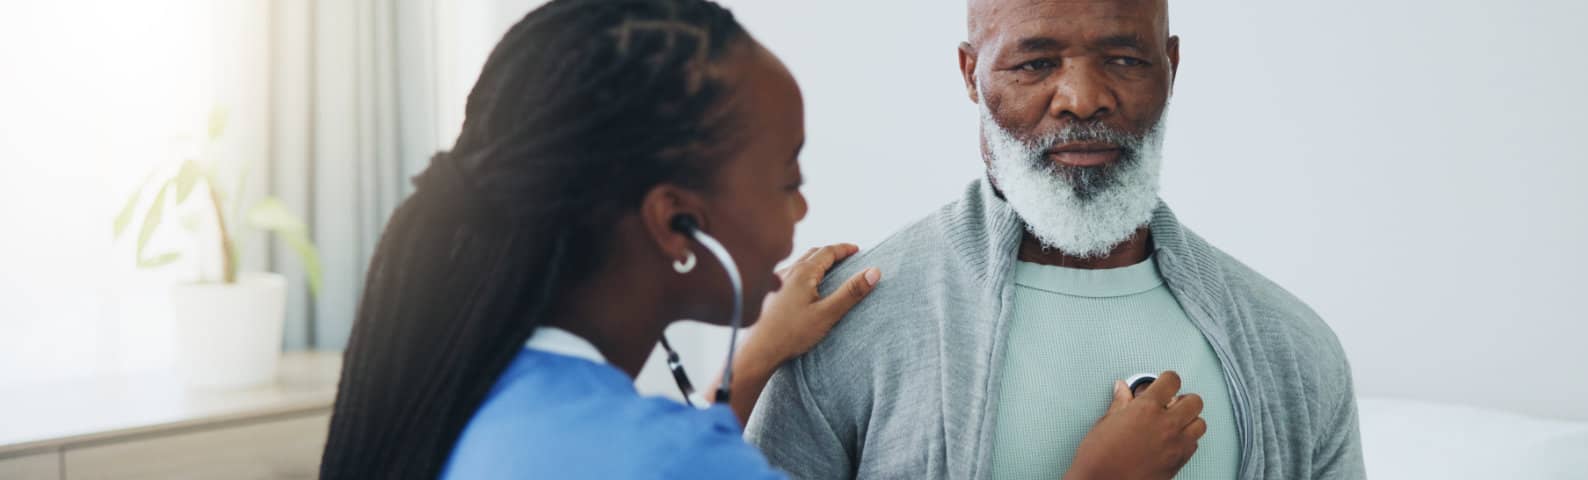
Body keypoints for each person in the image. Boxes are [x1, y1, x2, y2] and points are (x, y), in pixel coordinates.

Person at [318, 0, 1208, 478]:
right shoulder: (658, 459)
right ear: (678, 224)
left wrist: (745, 371)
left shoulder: (472, 383)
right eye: (787, 176)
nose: (800, 211)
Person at [744, 0, 1366, 479]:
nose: (1083, 99)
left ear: (1170, 68)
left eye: (1124, 59)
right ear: (971, 73)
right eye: (1035, 63)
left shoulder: (1292, 348)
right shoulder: (850, 329)